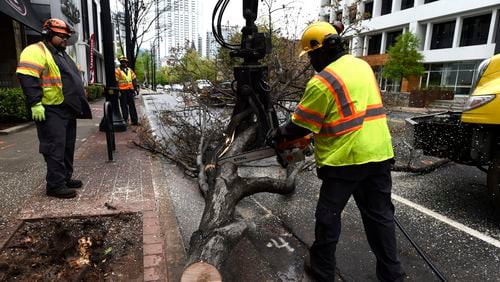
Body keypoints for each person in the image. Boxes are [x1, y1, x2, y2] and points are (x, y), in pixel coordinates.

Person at [271, 21, 404, 281]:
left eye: (310, 55)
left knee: (328, 217)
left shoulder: (323, 81)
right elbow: (348, 110)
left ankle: (322, 271)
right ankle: (392, 274)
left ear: (321, 51)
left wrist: (277, 135)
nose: (310, 60)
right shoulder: (363, 66)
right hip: (379, 154)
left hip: (345, 160)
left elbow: (298, 125)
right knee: (381, 219)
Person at [16, 18, 92, 199]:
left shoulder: (61, 53)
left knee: (67, 146)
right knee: (54, 147)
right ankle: (55, 185)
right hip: (51, 109)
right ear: (48, 34)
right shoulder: (35, 51)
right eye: (61, 36)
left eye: (66, 36)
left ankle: (64, 178)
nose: (65, 40)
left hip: (66, 109)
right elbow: (27, 77)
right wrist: (35, 103)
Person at [115, 56, 138, 125]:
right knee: (124, 106)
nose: (124, 63)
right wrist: (118, 91)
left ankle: (134, 121)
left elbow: (134, 79)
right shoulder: (117, 71)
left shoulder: (130, 70)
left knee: (132, 106)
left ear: (126, 62)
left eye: (125, 62)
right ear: (120, 62)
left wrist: (135, 89)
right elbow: (116, 82)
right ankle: (125, 120)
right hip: (122, 91)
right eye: (122, 61)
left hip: (130, 90)